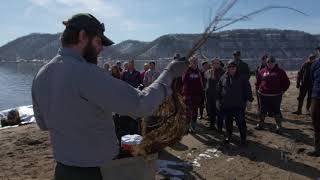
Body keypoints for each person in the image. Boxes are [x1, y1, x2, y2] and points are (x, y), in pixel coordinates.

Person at [31, 13, 188, 180]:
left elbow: (43, 124)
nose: (101, 49)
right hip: (94, 172)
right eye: (98, 42)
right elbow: (140, 104)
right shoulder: (86, 73)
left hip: (63, 171)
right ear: (83, 36)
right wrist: (169, 73)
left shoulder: (41, 75)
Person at [217, 60, 252, 146]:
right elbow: (218, 89)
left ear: (236, 68)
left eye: (233, 67)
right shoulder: (223, 77)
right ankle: (229, 136)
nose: (231, 69)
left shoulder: (242, 77)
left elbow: (248, 89)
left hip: (238, 105)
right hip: (226, 105)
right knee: (228, 122)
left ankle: (243, 139)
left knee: (241, 122)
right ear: (227, 68)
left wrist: (249, 100)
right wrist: (218, 101)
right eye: (229, 67)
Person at [255, 56, 290, 133]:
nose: (270, 63)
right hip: (263, 95)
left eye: (272, 62)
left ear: (275, 62)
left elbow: (286, 83)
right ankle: (261, 123)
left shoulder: (280, 72)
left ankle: (278, 125)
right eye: (268, 62)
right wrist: (258, 90)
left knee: (276, 110)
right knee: (262, 110)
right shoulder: (262, 71)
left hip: (276, 96)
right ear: (266, 63)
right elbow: (258, 82)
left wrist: (282, 91)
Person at [182, 56, 204, 132]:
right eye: (193, 61)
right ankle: (187, 127)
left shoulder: (199, 72)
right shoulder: (186, 71)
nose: (194, 62)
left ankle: (193, 127)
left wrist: (201, 94)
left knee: (195, 111)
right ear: (190, 62)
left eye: (196, 61)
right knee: (188, 112)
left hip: (197, 95)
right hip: (188, 95)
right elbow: (183, 81)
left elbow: (201, 83)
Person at [204, 58, 224, 131]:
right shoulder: (208, 72)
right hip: (209, 95)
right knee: (211, 111)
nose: (216, 65)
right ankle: (212, 125)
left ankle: (219, 127)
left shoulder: (223, 72)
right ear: (211, 64)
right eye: (214, 63)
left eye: (218, 63)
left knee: (219, 112)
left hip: (218, 95)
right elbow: (206, 81)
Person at [308, 47, 320, 156]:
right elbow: (312, 79)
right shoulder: (315, 64)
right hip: (317, 96)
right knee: (316, 123)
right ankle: (317, 149)